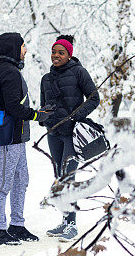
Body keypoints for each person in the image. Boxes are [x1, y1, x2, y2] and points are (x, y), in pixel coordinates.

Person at [0, 32, 50, 245]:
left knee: (21, 180)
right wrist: (36, 115)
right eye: (23, 46)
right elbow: (13, 107)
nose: (26, 50)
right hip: (7, 139)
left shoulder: (4, 70)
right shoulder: (9, 72)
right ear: (14, 48)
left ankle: (17, 225)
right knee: (3, 183)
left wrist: (35, 114)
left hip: (15, 138)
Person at [40, 35, 100, 241]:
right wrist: (43, 118)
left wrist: (76, 116)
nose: (56, 55)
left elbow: (94, 98)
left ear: (69, 55)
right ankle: (65, 220)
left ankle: (72, 225)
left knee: (68, 175)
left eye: (61, 53)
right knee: (59, 175)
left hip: (72, 134)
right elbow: (43, 105)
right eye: (54, 52)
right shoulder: (45, 79)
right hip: (54, 133)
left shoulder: (79, 72)